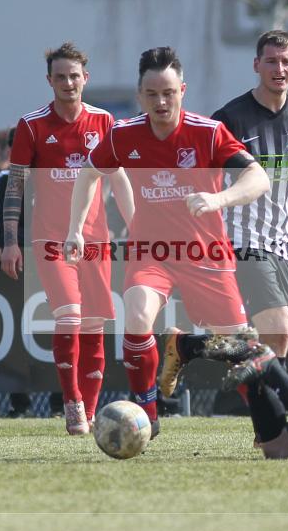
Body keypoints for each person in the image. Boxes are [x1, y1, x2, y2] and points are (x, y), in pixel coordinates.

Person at [66, 46, 270, 431]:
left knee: (239, 348)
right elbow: (88, 174)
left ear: (182, 91)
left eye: (169, 93)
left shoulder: (208, 133)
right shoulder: (124, 134)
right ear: (140, 95)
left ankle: (265, 425)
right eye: (152, 94)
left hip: (205, 252)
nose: (161, 102)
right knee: (137, 316)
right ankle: (147, 414)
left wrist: (218, 199)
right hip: (151, 252)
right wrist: (75, 228)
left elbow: (258, 178)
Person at [157, 30, 288, 397]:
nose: (279, 69)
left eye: (286, 62)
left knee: (258, 339)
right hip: (240, 238)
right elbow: (198, 173)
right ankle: (277, 411)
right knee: (278, 326)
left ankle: (187, 347)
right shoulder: (231, 118)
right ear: (256, 65)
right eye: (271, 61)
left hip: (284, 242)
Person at [0, 42, 133, 435]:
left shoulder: (104, 121)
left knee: (93, 325)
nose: (68, 83)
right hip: (50, 240)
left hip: (95, 240)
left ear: (85, 78)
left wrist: (137, 226)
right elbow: (15, 186)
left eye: (74, 76)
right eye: (60, 77)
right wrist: (10, 241)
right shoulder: (32, 126)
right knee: (70, 316)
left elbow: (119, 180)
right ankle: (72, 401)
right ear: (49, 81)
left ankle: (89, 413)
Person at [0, 165, 36, 418]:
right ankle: (20, 403)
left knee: (59, 329)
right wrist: (6, 243)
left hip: (51, 260)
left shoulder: (54, 174)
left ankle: (61, 402)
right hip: (17, 265)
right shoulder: (5, 178)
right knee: (16, 332)